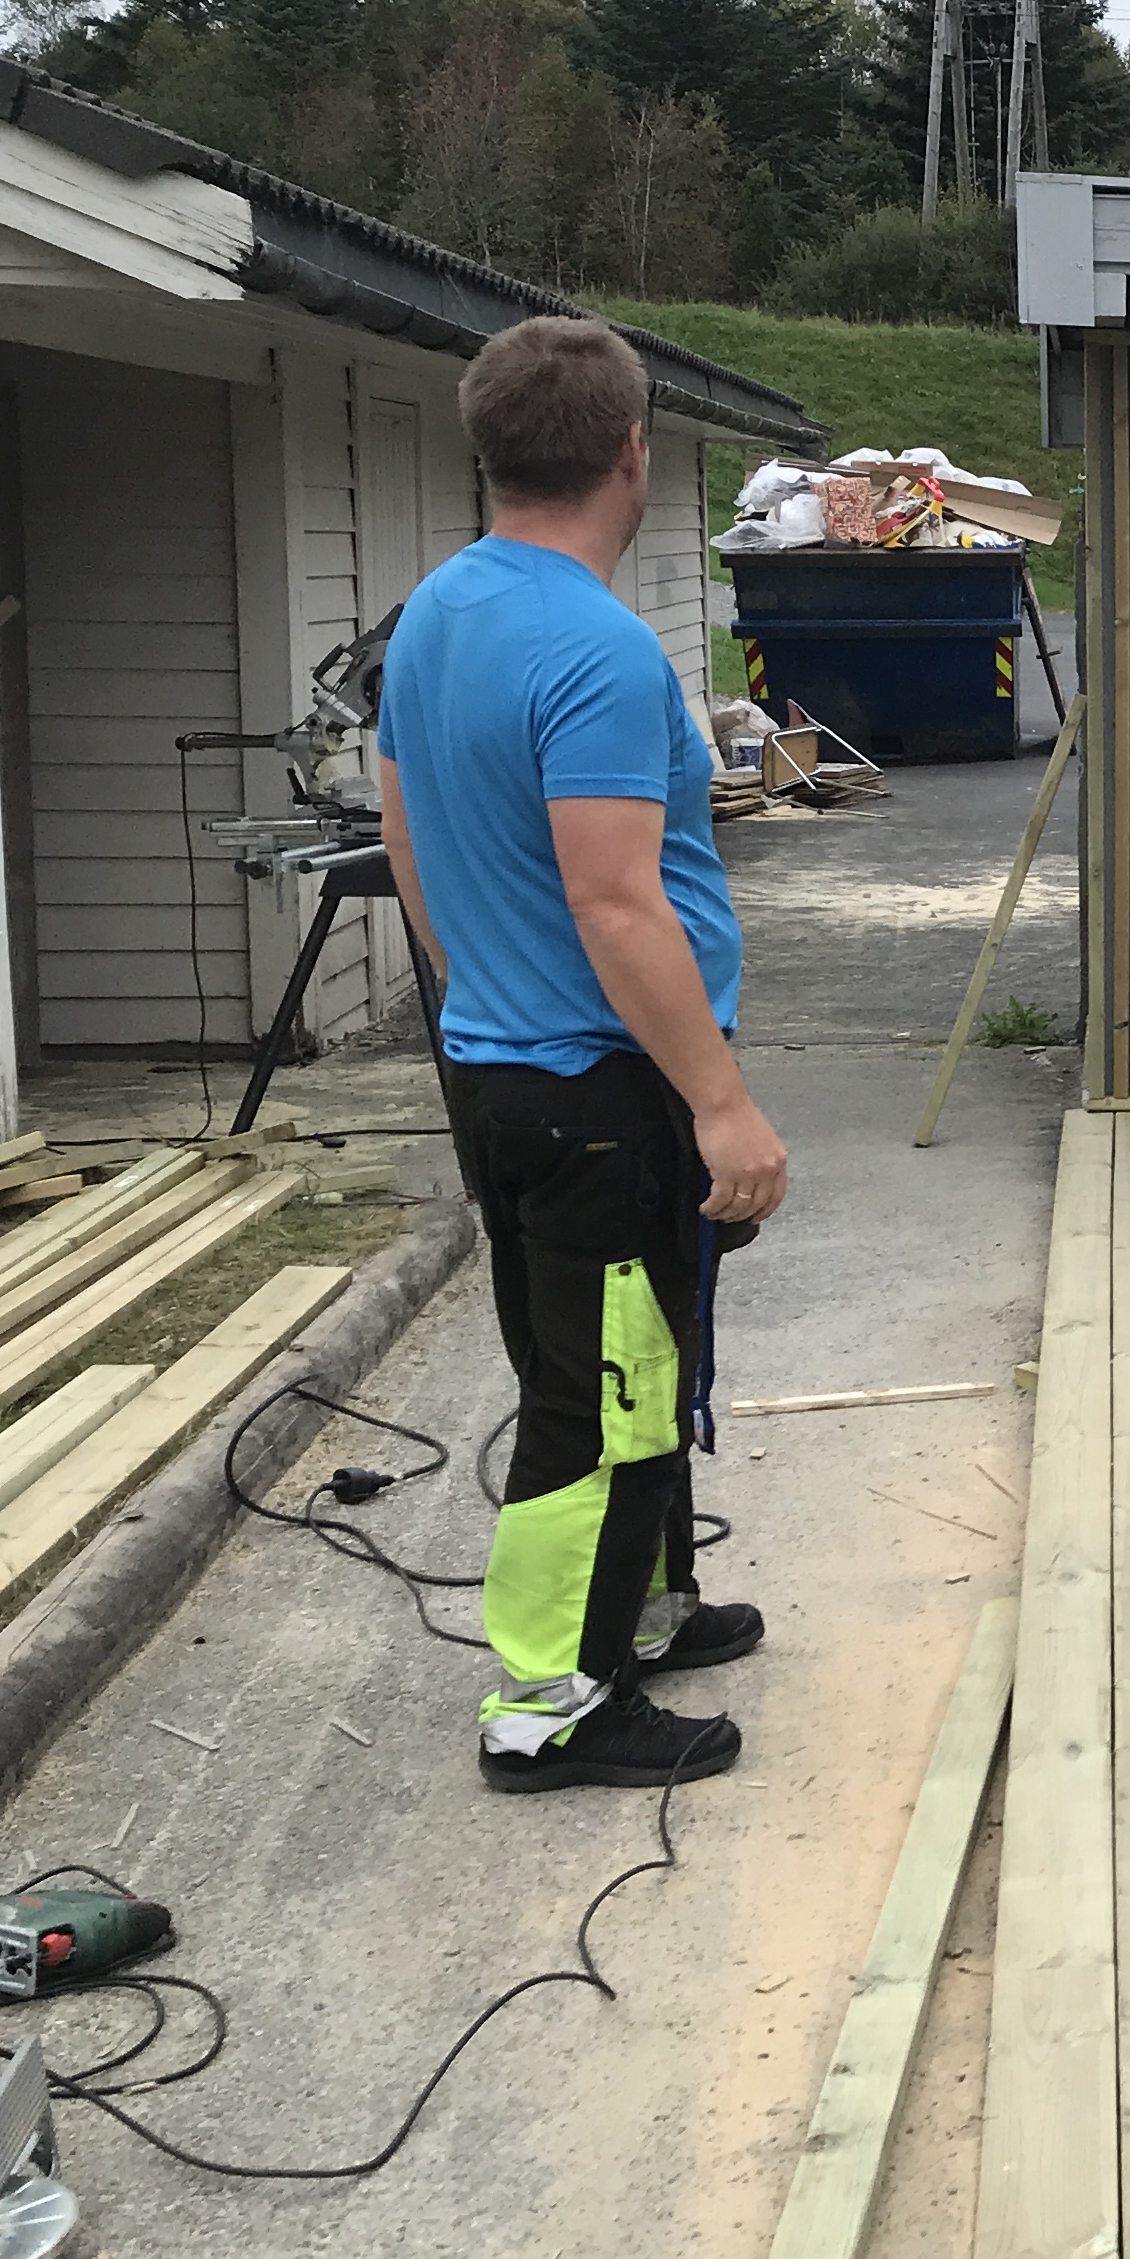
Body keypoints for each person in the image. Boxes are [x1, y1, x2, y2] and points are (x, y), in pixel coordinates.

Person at [375, 317, 789, 1792]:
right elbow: (615, 901)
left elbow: (405, 832)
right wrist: (722, 1106)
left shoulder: (436, 613)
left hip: (510, 1072)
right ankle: (549, 1703)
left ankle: (648, 1613)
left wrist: (476, 982)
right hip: (598, 1092)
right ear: (632, 449)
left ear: (487, 452)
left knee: (627, 1364)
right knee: (598, 1397)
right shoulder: (597, 649)